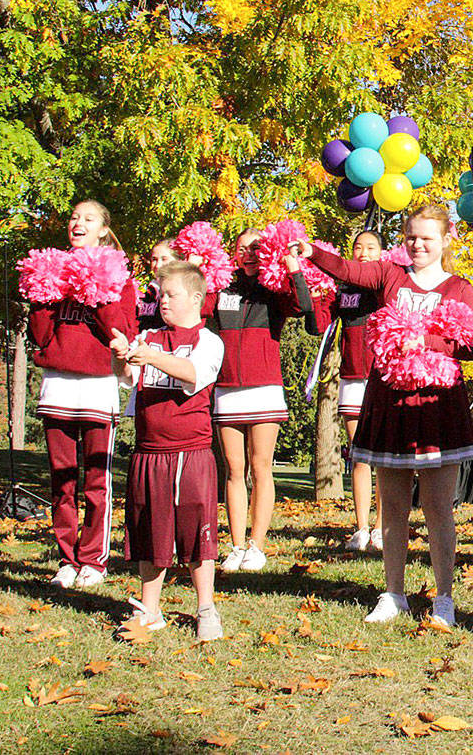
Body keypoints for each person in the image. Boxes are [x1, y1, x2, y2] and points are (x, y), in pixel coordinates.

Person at [295, 205, 473, 626]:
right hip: (389, 403)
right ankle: (393, 593)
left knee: (437, 507)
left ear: (446, 239)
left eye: (426, 238)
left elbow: (470, 346)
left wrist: (424, 340)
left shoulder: (459, 289)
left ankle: (444, 598)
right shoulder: (389, 275)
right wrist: (311, 253)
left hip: (436, 408)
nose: (417, 244)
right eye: (411, 236)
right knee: (392, 505)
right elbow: (347, 269)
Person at [110, 261, 225, 641]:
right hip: (148, 451)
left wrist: (150, 357)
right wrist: (120, 355)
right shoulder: (149, 337)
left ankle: (205, 608)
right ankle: (151, 609)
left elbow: (194, 374)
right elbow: (129, 378)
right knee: (149, 530)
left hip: (191, 452)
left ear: (195, 298)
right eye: (160, 295)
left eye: (171, 295)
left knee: (196, 532)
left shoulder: (209, 340)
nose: (163, 302)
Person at [29, 200, 137, 589]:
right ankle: (66, 559)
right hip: (57, 385)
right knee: (61, 480)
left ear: (103, 231)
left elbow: (123, 332)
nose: (78, 223)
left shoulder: (120, 276)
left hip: (97, 387)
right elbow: (40, 337)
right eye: (74, 217)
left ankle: (94, 560)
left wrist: (99, 292)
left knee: (97, 480)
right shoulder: (52, 270)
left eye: (88, 219)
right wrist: (43, 296)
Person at [211, 228, 315, 573]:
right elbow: (195, 307)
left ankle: (257, 545)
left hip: (264, 387)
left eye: (256, 247)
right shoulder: (224, 286)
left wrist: (292, 267)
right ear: (234, 254)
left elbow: (302, 305)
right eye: (242, 248)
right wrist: (200, 268)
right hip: (226, 388)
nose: (249, 253)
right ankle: (236, 545)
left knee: (261, 467)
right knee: (233, 470)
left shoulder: (274, 286)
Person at [313, 231, 386, 552]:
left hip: (382, 377)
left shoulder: (388, 284)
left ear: (382, 253)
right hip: (352, 379)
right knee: (359, 457)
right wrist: (315, 293)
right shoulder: (341, 290)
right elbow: (318, 322)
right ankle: (361, 527)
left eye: (371, 247)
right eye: (359, 247)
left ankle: (383, 527)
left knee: (384, 459)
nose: (364, 252)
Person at [137, 239, 181, 331]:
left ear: (178, 261)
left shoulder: (182, 291)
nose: (158, 265)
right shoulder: (150, 289)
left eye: (164, 259)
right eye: (154, 259)